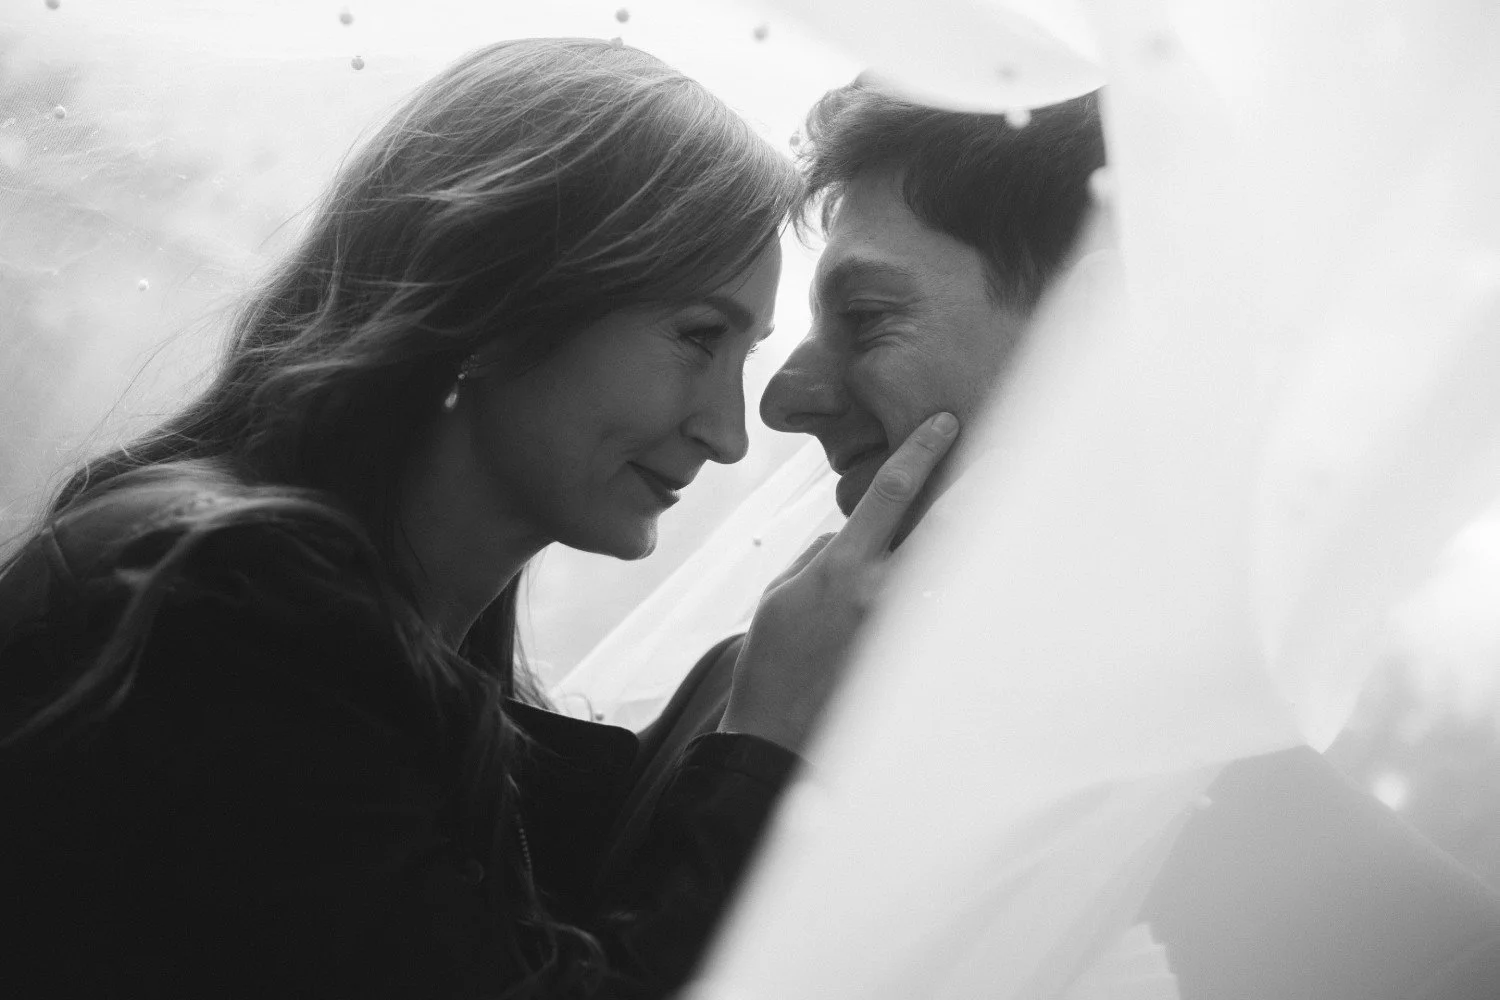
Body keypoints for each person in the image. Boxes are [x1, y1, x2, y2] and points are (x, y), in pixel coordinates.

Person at [0, 40, 958, 999]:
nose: (727, 432)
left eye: (742, 356)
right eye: (698, 338)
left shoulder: (382, 651)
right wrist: (765, 742)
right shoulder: (227, 607)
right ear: (500, 299)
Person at [603, 81, 1500, 998]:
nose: (778, 401)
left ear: (1095, 347)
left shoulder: (1410, 954)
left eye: (867, 317)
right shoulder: (744, 696)